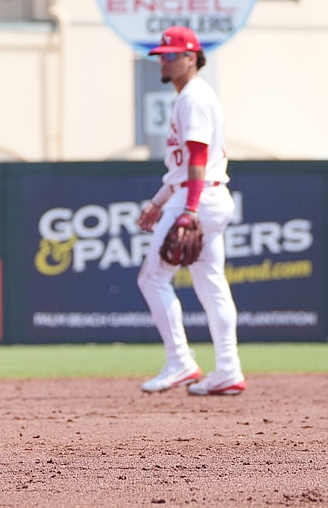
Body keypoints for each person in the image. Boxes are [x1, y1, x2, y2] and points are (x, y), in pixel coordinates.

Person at [135, 25, 246, 397]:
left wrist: (189, 210)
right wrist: (158, 202)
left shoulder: (194, 96)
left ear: (191, 57)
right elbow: (184, 167)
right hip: (205, 195)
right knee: (212, 284)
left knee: (152, 279)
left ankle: (180, 360)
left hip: (197, 198)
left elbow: (198, 158)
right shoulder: (194, 95)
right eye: (161, 55)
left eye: (170, 54)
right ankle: (228, 370)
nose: (163, 61)